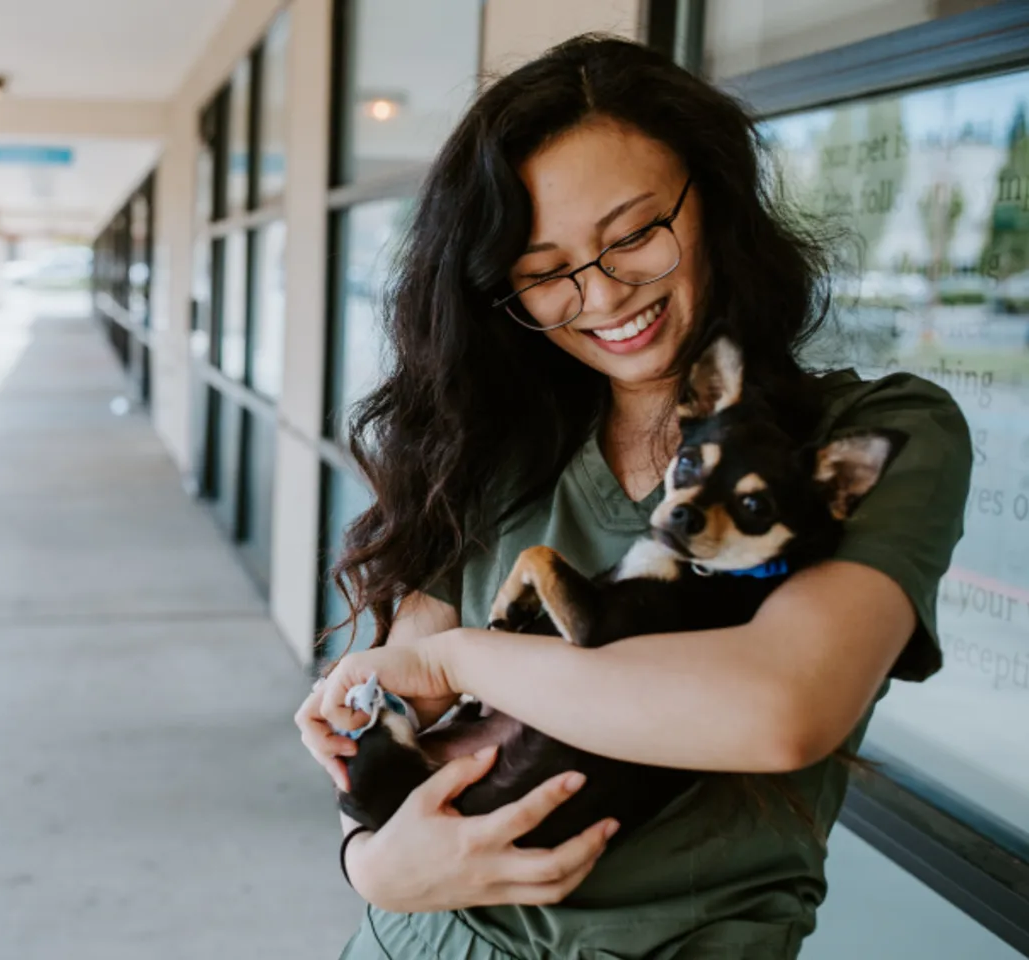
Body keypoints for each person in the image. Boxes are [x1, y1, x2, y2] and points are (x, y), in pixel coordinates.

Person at [293, 34, 970, 960]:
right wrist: (369, 863)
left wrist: (461, 657)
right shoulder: (490, 447)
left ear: (714, 203)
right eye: (543, 272)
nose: (603, 294)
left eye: (635, 236)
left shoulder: (869, 438)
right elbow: (406, 720)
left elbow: (778, 711)